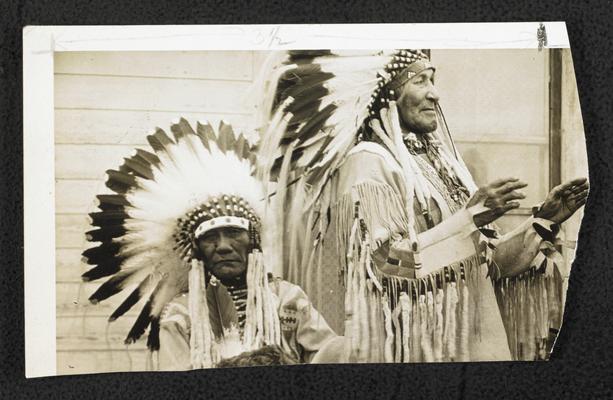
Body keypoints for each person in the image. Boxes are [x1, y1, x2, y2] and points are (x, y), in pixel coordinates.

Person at [255, 49, 589, 362]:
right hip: (416, 349)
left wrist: (543, 221)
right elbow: (386, 264)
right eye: (420, 81)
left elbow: (485, 263)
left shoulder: (439, 165)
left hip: (466, 343)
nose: (434, 93)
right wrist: (468, 218)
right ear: (389, 94)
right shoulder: (369, 163)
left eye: (433, 80)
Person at [81, 119, 341, 370]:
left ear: (253, 243)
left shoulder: (288, 298)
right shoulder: (181, 314)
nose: (224, 246)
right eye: (210, 238)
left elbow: (330, 353)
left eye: (233, 233)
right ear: (196, 252)